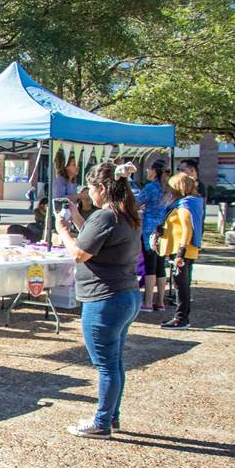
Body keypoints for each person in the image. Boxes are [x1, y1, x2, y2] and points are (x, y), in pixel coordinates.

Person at [54, 162, 141, 439]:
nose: (89, 194)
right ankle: (111, 416)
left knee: (105, 365)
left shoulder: (106, 216)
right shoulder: (125, 214)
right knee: (114, 362)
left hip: (105, 299)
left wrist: (63, 232)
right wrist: (78, 218)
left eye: (90, 189)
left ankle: (102, 422)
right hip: (126, 295)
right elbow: (95, 239)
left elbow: (80, 253)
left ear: (102, 188)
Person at [155, 173, 204, 330]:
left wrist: (181, 254)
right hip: (183, 250)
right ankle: (181, 317)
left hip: (182, 251)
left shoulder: (184, 206)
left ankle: (181, 318)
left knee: (181, 285)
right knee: (181, 284)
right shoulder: (186, 203)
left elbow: (186, 230)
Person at [136, 159, 171, 312]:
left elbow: (136, 203)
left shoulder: (151, 188)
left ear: (154, 171)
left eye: (149, 169)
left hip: (149, 230)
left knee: (150, 266)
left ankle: (148, 301)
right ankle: (160, 301)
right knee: (160, 266)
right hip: (164, 229)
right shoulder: (168, 188)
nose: (147, 171)